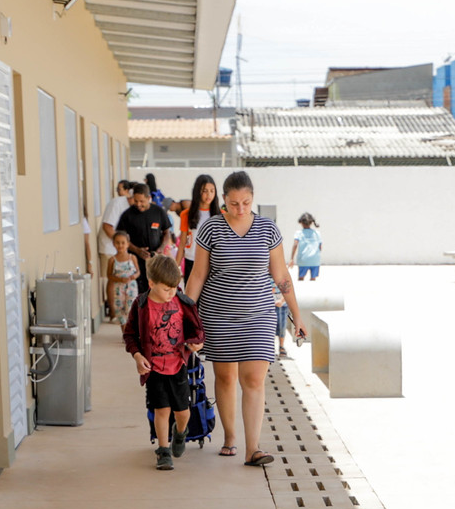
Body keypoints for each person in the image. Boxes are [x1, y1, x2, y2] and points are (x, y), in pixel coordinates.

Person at [185, 171, 306, 466]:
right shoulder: (210, 228)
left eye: (246, 203)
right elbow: (198, 275)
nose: (240, 209)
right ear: (223, 200)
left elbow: (281, 276)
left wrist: (296, 315)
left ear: (253, 199)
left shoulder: (268, 229)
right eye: (234, 203)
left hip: (259, 315)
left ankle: (254, 448)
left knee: (253, 379)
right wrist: (186, 316)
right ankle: (230, 437)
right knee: (225, 377)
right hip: (218, 314)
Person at [123, 254, 203, 471]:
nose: (171, 293)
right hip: (154, 367)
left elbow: (198, 331)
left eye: (174, 288)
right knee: (161, 410)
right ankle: (163, 450)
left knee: (183, 411)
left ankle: (180, 432)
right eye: (167, 289)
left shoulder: (183, 302)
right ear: (151, 284)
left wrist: (196, 344)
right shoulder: (141, 305)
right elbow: (129, 335)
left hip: (178, 365)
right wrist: (138, 356)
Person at [115, 183, 173, 291]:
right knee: (139, 291)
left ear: (149, 198)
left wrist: (160, 249)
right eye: (135, 201)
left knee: (156, 288)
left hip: (155, 259)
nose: (138, 204)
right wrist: (137, 250)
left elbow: (166, 233)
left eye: (142, 201)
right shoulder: (127, 215)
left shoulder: (159, 212)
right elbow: (121, 237)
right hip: (135, 261)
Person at [177, 173, 218, 277]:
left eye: (212, 191)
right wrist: (175, 267)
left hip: (213, 263)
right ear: (197, 191)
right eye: (205, 191)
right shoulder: (186, 214)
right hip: (191, 261)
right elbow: (182, 244)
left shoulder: (221, 215)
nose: (209, 194)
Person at [106, 230, 139, 325]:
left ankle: (132, 333)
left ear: (128, 244)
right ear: (113, 244)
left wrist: (134, 276)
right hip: (118, 289)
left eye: (123, 243)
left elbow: (138, 271)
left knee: (131, 309)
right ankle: (125, 335)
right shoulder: (112, 260)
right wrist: (120, 279)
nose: (120, 245)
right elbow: (109, 275)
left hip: (131, 288)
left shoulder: (132, 258)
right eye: (117, 243)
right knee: (120, 310)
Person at [289, 212, 323, 281]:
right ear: (311, 222)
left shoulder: (298, 233)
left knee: (301, 278)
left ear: (301, 222)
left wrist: (291, 259)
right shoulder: (317, 233)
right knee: (313, 278)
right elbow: (320, 247)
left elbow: (295, 245)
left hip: (303, 260)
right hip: (315, 260)